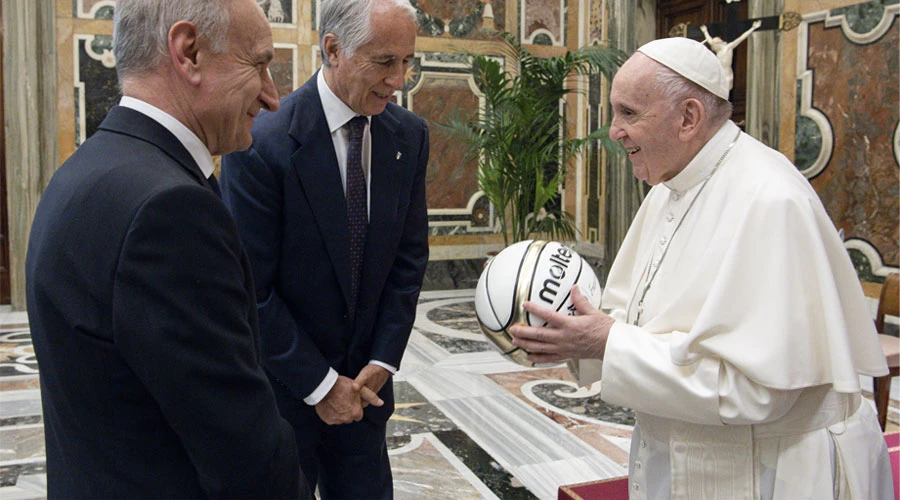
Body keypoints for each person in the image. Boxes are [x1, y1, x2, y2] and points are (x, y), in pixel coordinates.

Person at [509, 37, 893, 499]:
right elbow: (632, 322)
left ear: (688, 117)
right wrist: (572, 341)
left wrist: (605, 342)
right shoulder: (669, 188)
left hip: (776, 470)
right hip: (689, 456)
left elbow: (757, 390)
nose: (613, 131)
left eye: (629, 113)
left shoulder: (770, 199)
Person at [25, 0, 309, 497]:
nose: (272, 97)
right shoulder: (170, 212)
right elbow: (244, 454)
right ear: (189, 52)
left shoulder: (85, 170)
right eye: (259, 63)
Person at [219, 0, 429, 497]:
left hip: (368, 394)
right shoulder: (261, 142)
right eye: (384, 62)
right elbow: (252, 290)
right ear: (333, 49)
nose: (399, 79)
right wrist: (322, 385)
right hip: (286, 394)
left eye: (407, 62)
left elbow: (408, 260)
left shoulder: (410, 136)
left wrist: (384, 360)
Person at [700, 19, 762, 92]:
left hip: (727, 76)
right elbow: (710, 40)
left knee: (725, 94)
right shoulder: (718, 50)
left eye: (715, 44)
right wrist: (705, 31)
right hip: (719, 76)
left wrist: (753, 28)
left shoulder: (727, 48)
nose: (713, 46)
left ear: (719, 43)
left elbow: (741, 38)